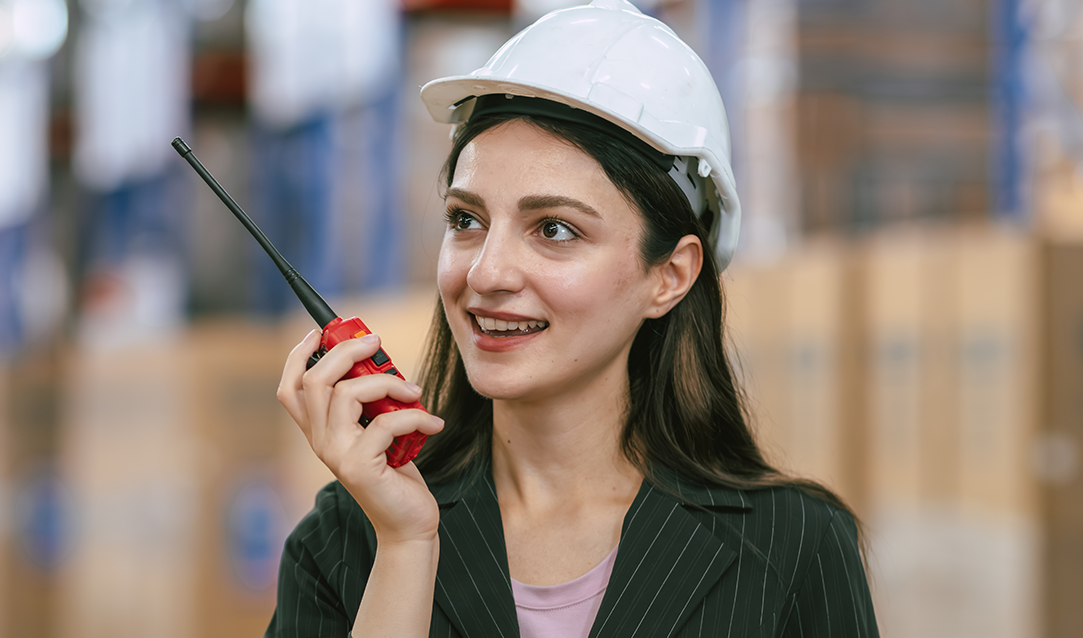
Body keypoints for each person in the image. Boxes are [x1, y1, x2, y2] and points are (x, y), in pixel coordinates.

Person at [266, 2, 878, 637]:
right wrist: (404, 545)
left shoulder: (792, 546)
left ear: (670, 276)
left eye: (554, 229)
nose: (486, 274)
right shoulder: (345, 538)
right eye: (466, 220)